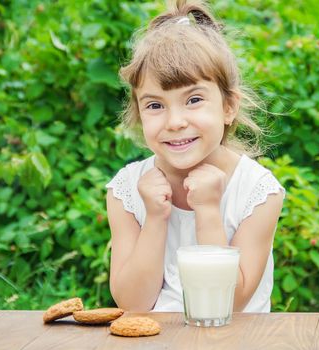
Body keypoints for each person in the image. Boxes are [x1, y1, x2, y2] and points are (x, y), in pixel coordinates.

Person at [106, 0, 285, 313]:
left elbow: (228, 304)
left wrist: (208, 210)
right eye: (155, 105)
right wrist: (156, 218)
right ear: (139, 113)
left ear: (228, 107)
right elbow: (133, 304)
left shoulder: (257, 191)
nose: (175, 121)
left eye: (194, 99)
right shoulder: (127, 190)